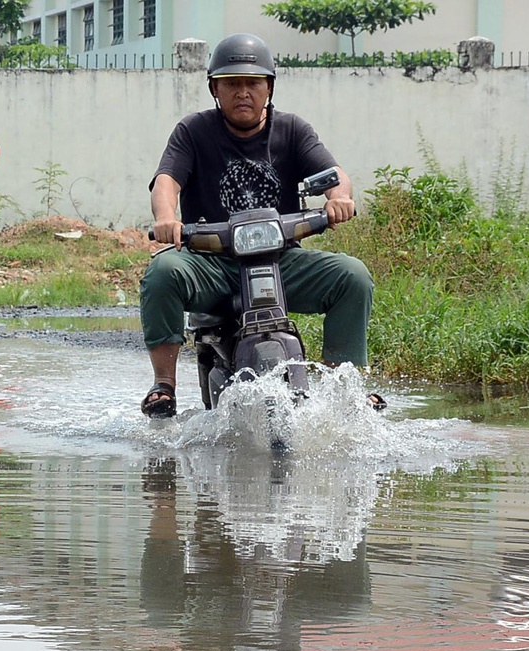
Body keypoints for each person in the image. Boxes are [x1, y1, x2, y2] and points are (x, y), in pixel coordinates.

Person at [139, 33, 373, 417]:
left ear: (269, 87)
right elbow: (167, 181)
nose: (243, 92)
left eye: (253, 83)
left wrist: (338, 198)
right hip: (213, 263)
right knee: (163, 271)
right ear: (215, 89)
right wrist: (166, 218)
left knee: (353, 276)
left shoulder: (293, 130)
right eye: (232, 84)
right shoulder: (193, 131)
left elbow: (334, 174)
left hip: (280, 262)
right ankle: (164, 384)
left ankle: (342, 390)